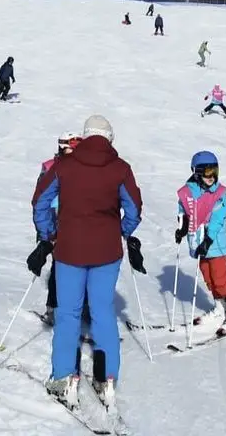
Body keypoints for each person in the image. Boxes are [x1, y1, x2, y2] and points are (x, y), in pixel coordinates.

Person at [28, 115, 144, 410]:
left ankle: (64, 376)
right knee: (103, 312)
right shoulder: (121, 169)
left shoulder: (64, 166)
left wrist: (48, 233)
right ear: (109, 138)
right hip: (106, 252)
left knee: (68, 313)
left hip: (69, 250)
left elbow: (40, 201)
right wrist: (122, 230)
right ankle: (107, 378)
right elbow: (134, 207)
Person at [176, 151, 226, 335]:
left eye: (215, 171)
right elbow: (183, 211)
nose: (212, 176)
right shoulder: (188, 192)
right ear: (196, 172)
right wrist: (182, 228)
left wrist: (208, 239)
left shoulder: (219, 193)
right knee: (208, 277)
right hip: (198, 242)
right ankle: (220, 309)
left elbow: (218, 217)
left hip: (215, 242)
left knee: (221, 279)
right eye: (207, 172)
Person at [36, 132, 83, 325]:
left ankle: (80, 307)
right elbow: (40, 198)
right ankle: (52, 307)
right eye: (72, 145)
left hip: (75, 219)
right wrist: (44, 231)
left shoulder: (81, 167)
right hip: (55, 219)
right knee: (59, 266)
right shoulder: (50, 166)